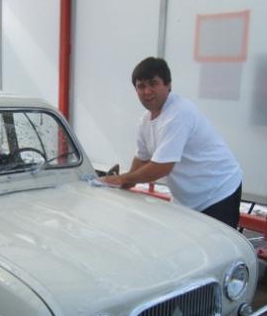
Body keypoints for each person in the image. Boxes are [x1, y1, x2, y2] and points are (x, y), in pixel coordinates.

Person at [101, 57, 243, 228]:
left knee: (218, 251)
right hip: (187, 199)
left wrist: (122, 179)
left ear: (168, 85)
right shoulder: (145, 121)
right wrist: (125, 182)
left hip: (218, 191)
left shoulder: (179, 113)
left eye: (153, 83)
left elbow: (161, 167)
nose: (147, 91)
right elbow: (142, 159)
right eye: (141, 86)